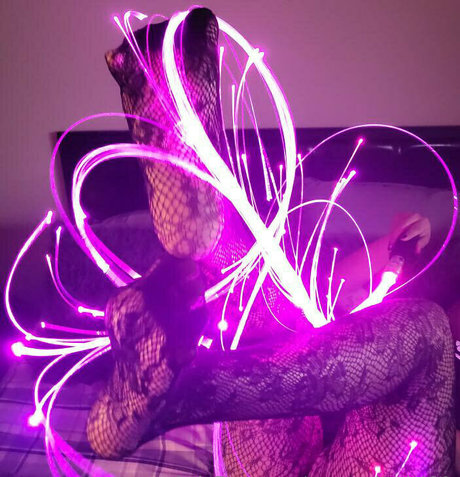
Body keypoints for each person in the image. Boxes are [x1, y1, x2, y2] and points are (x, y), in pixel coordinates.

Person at [86, 8, 455, 476]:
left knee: (428, 334)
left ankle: (168, 395)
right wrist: (392, 245)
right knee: (275, 304)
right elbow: (334, 283)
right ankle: (194, 187)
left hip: (343, 445)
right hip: (300, 423)